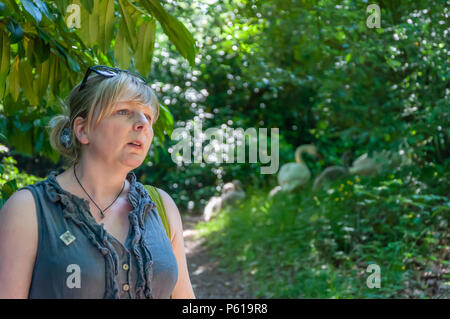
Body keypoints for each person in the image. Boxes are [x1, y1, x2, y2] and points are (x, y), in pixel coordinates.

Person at [0, 65, 195, 299]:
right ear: (82, 130)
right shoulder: (28, 209)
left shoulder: (161, 206)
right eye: (123, 111)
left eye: (148, 115)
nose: (143, 123)